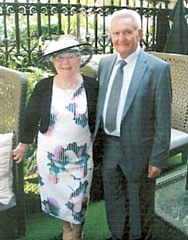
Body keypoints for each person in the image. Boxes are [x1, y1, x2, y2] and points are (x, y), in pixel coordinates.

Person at [94, 9, 172, 240]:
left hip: (140, 149)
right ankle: (118, 236)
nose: (121, 38)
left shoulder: (157, 69)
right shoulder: (106, 63)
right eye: (116, 33)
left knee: (140, 205)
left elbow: (162, 118)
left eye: (127, 32)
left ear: (139, 33)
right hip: (109, 147)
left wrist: (157, 158)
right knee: (115, 202)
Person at [13, 35, 98, 240]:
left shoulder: (92, 86)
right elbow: (31, 116)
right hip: (50, 156)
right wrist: (23, 145)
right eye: (59, 58)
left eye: (70, 57)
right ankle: (66, 229)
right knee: (59, 197)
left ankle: (76, 233)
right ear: (52, 62)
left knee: (79, 199)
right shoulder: (44, 86)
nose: (65, 62)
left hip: (81, 157)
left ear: (79, 60)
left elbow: (99, 119)